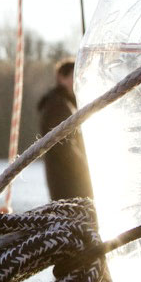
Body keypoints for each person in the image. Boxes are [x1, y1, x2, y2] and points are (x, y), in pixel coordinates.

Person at [36, 59, 92, 201]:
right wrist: (87, 172)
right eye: (73, 76)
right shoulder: (58, 105)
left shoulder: (65, 105)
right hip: (69, 182)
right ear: (61, 78)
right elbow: (65, 146)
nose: (77, 81)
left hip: (65, 181)